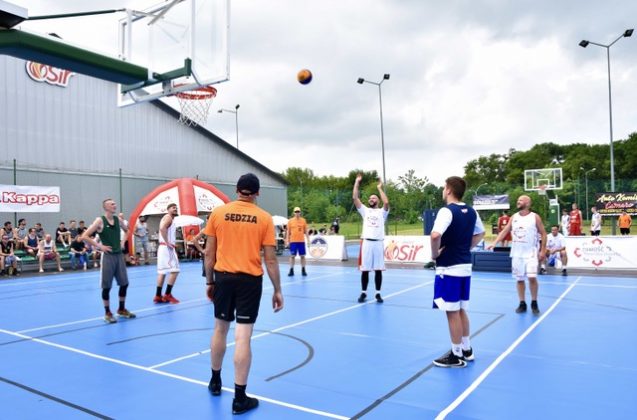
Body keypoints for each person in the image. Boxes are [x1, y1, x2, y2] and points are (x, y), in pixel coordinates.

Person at [203, 173, 283, 415]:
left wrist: (210, 281)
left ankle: (215, 381)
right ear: (257, 193)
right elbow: (270, 260)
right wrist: (278, 289)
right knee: (243, 337)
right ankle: (239, 398)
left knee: (220, 329)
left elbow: (209, 253)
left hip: (223, 278)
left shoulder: (218, 213)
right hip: (249, 280)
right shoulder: (264, 218)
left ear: (236, 190)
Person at [430, 176, 485, 368]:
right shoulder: (471, 211)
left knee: (452, 312)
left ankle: (456, 355)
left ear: (448, 190)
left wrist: (434, 254)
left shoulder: (447, 211)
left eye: (444, 187)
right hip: (464, 265)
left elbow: (435, 235)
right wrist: (465, 248)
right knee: (461, 309)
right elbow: (480, 233)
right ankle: (467, 349)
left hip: (449, 267)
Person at [489, 195, 547, 315]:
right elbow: (505, 231)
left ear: (527, 203)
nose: (518, 202)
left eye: (520, 200)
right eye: (518, 200)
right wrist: (494, 242)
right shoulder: (514, 217)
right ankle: (522, 303)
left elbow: (543, 233)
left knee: (532, 277)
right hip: (517, 253)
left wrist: (542, 250)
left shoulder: (534, 217)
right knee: (519, 279)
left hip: (531, 252)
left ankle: (534, 302)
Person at [81, 199, 136, 324]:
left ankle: (121, 309)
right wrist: (100, 246)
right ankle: (107, 312)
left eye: (115, 203)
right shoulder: (99, 221)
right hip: (107, 257)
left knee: (124, 283)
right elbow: (84, 236)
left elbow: (128, 231)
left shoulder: (118, 220)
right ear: (106, 207)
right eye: (112, 204)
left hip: (119, 256)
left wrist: (123, 242)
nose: (114, 205)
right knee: (107, 286)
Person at [353, 174, 389, 303]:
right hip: (367, 243)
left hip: (378, 243)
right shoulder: (365, 211)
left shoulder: (382, 212)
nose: (371, 199)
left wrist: (380, 188)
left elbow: (386, 202)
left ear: (377, 200)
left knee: (378, 269)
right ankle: (363, 293)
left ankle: (378, 294)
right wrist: (357, 182)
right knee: (365, 270)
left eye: (374, 198)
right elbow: (355, 197)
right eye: (370, 198)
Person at [154, 203, 181, 304]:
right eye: (173, 208)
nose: (175, 209)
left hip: (162, 247)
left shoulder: (168, 218)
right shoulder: (168, 217)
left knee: (162, 272)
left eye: (176, 207)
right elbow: (162, 228)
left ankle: (158, 295)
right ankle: (167, 294)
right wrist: (167, 242)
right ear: (168, 209)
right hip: (167, 248)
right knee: (175, 270)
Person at [285, 206, 308, 277]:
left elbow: (306, 231)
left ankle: (303, 269)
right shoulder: (290, 221)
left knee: (302, 256)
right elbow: (288, 232)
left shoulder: (303, 220)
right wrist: (287, 241)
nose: (297, 213)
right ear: (294, 213)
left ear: (300, 212)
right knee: (292, 256)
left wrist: (308, 240)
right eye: (296, 212)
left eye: (298, 211)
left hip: (301, 241)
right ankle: (291, 270)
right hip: (293, 241)